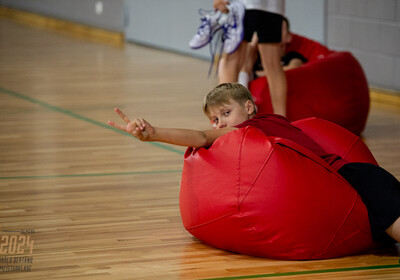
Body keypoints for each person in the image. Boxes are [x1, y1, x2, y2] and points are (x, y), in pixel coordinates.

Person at [108, 83, 400, 244]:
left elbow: (199, 137)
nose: (221, 123)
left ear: (249, 107)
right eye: (215, 119)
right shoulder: (271, 121)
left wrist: (155, 133)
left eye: (226, 112)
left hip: (350, 178)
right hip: (353, 177)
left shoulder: (252, 130)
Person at [215, 0, 287, 117]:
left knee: (231, 60)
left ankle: (226, 118)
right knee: (274, 65)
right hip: (273, 6)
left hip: (244, 5)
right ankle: (282, 120)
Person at [238, 16, 307, 87]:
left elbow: (294, 67)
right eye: (270, 29)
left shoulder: (292, 56)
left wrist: (257, 74)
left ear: (289, 37)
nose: (273, 32)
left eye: (279, 28)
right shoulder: (256, 58)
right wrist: (252, 47)